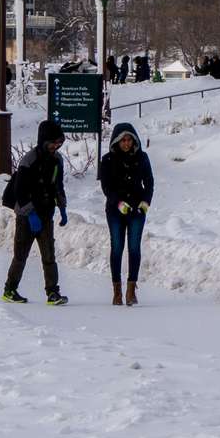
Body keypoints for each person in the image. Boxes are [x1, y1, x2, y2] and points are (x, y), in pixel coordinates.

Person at [3, 119, 69, 306]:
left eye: (59, 142)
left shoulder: (57, 160)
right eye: (53, 142)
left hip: (46, 214)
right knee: (21, 255)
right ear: (43, 140)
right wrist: (30, 213)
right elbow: (20, 191)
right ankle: (10, 289)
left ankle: (53, 292)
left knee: (49, 255)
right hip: (26, 216)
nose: (56, 146)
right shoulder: (29, 160)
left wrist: (62, 207)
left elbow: (58, 186)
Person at [97, 121, 154, 306]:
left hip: (137, 209)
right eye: (123, 140)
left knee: (134, 248)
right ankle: (117, 291)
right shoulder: (107, 160)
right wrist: (118, 203)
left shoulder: (142, 157)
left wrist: (145, 203)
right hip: (115, 210)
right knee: (117, 247)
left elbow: (149, 182)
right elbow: (106, 187)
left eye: (129, 140)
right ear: (116, 141)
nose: (126, 144)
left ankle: (131, 290)